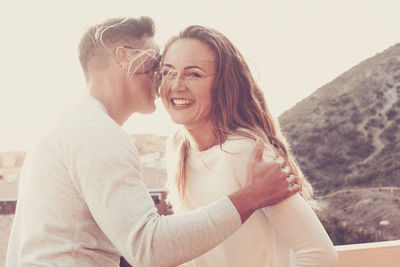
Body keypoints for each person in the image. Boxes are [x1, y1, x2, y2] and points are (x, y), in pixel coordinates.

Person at [6, 17, 300, 267]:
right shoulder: (96, 131)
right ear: (124, 57)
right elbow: (148, 247)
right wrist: (253, 196)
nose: (161, 76)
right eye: (156, 60)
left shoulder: (66, 124)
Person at [160, 25, 338, 267]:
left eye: (194, 74)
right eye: (168, 72)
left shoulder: (245, 152)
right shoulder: (178, 149)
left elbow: (320, 255)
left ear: (222, 84)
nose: (177, 85)